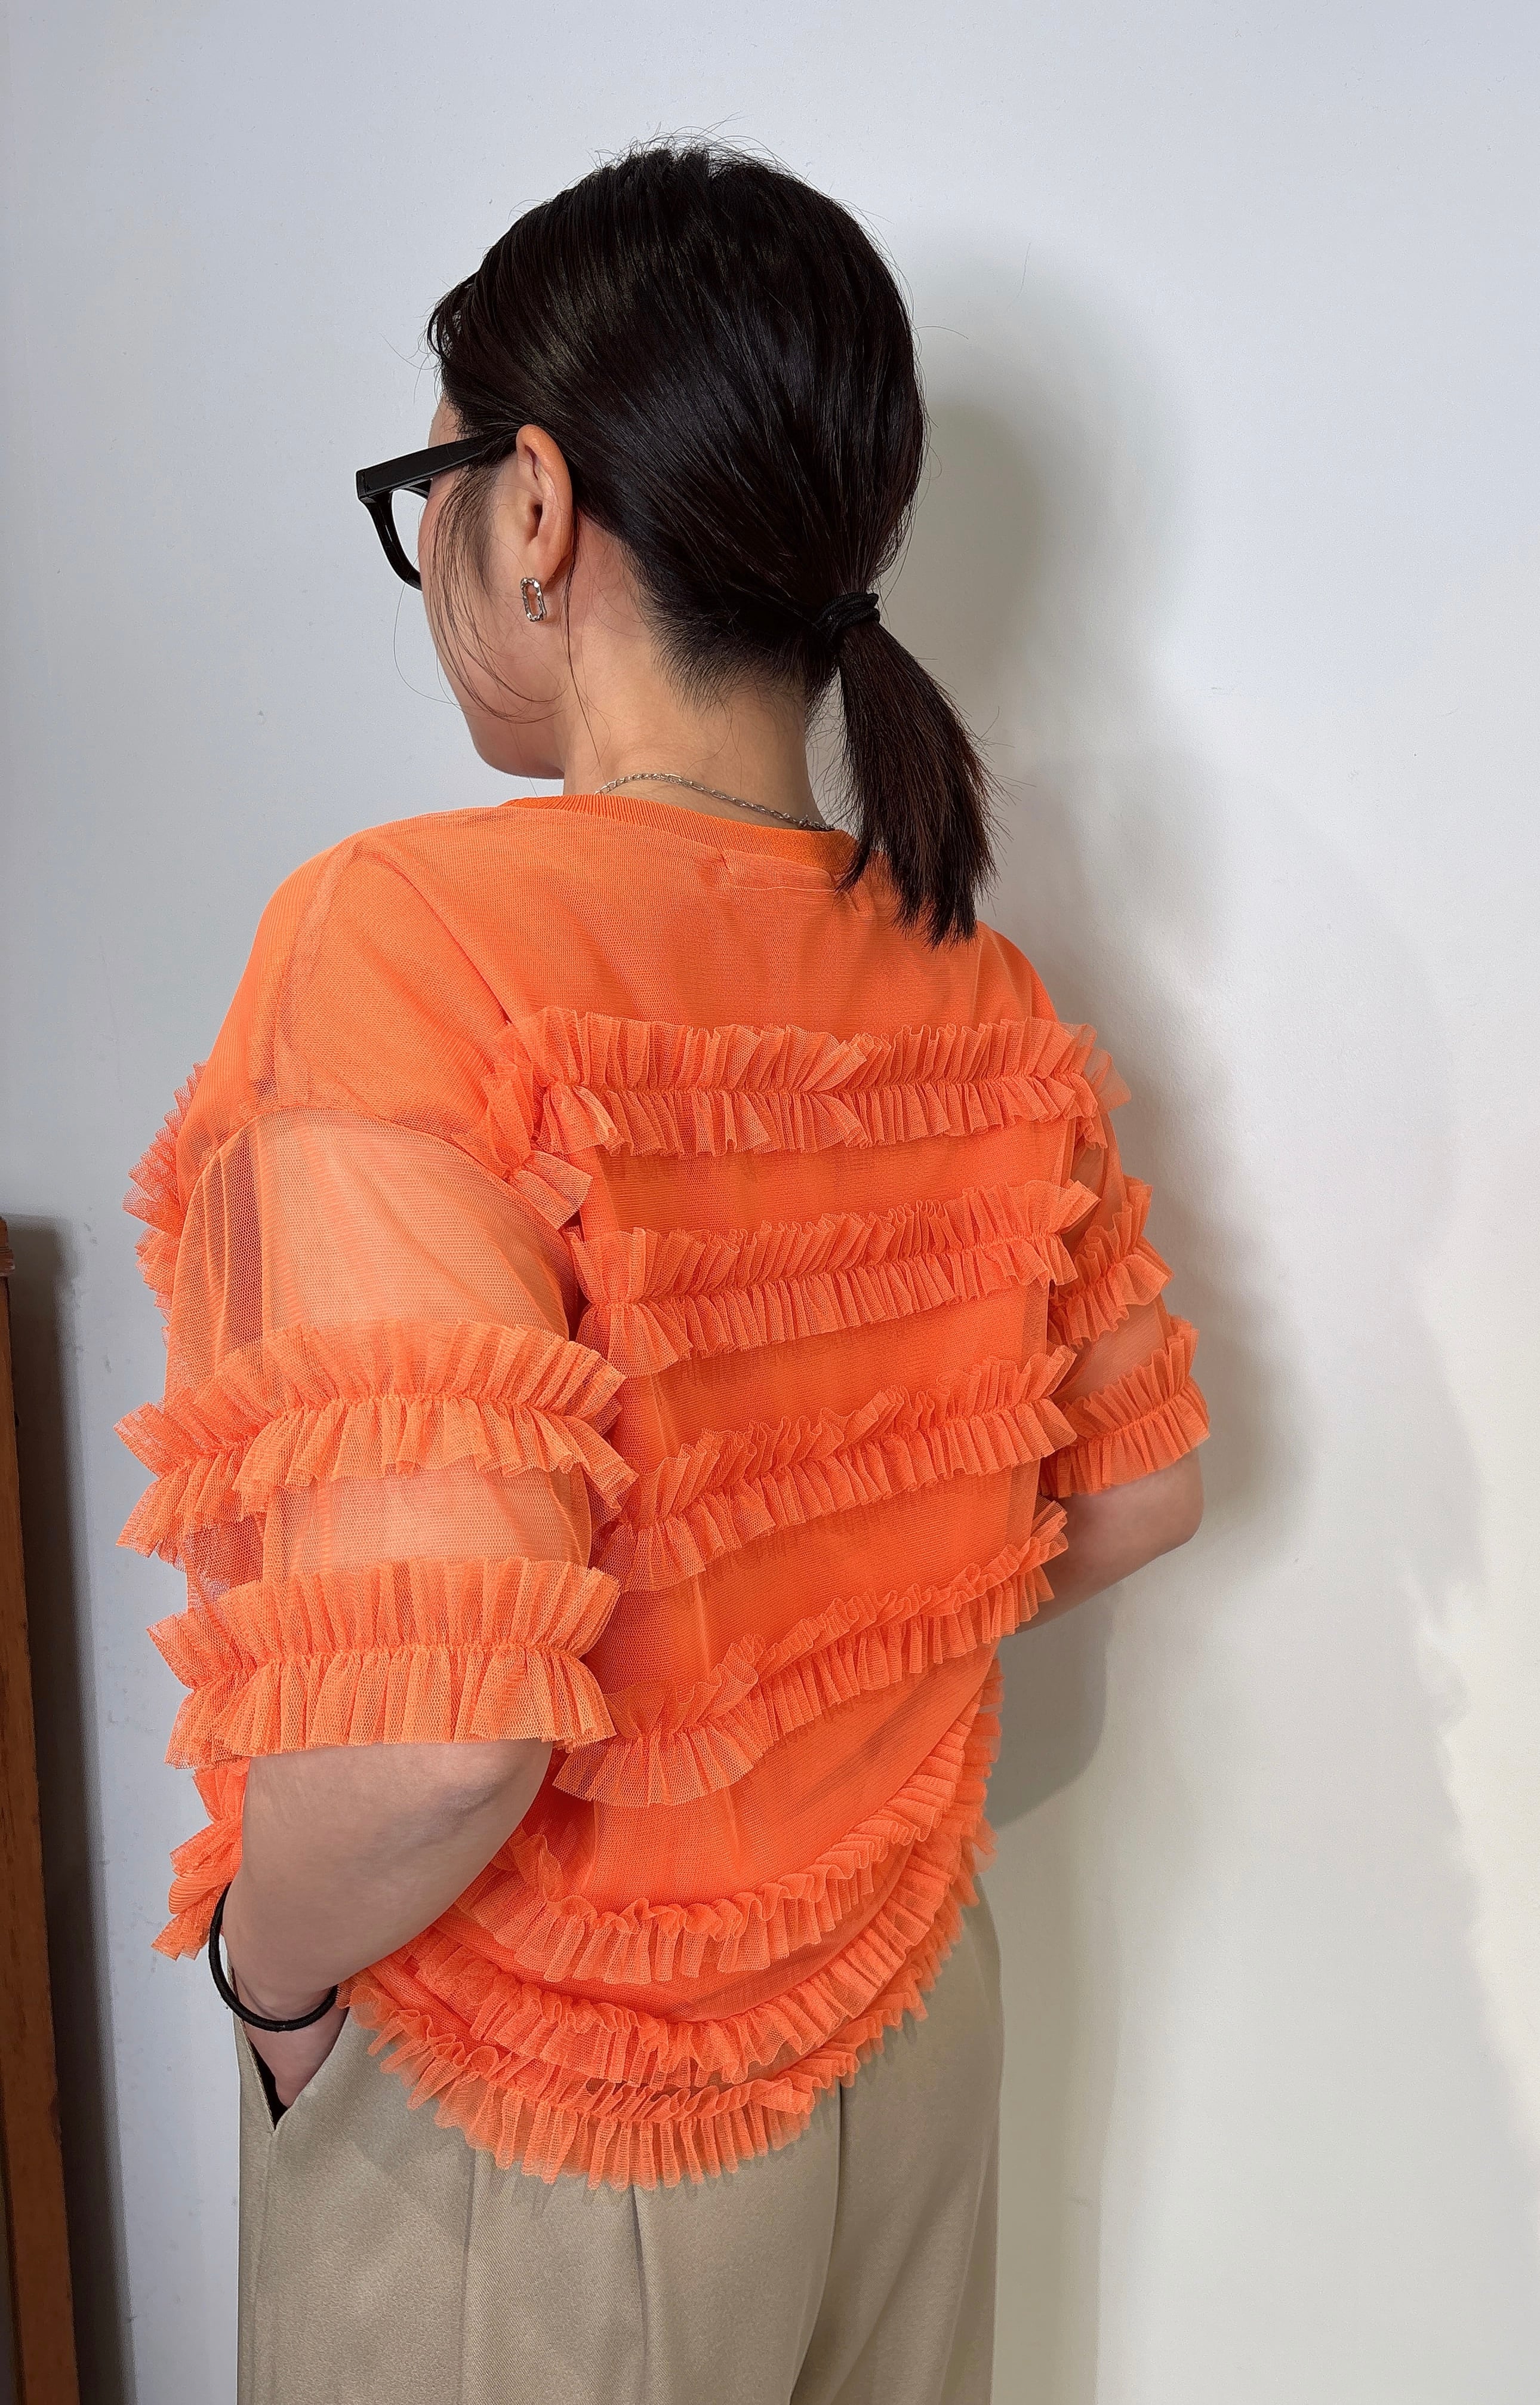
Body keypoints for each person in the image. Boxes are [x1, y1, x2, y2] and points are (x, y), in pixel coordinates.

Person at [118, 142, 1208, 2405]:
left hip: (545, 2108)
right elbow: (1132, 1490)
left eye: (430, 496)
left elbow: (433, 1738)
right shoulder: (971, 985)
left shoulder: (406, 941)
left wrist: (272, 1982)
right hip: (907, 2036)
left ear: (532, 506)